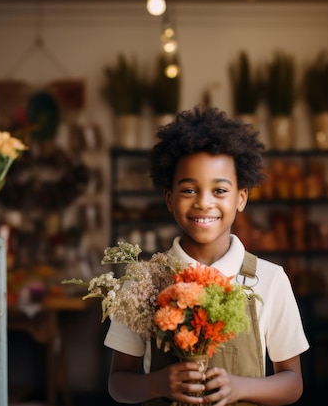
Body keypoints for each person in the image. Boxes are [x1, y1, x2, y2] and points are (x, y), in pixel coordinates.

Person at [104, 106, 309, 406]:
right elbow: (117, 383)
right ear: (169, 198)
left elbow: (292, 383)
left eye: (219, 190)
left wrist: (240, 388)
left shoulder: (270, 280)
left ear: (241, 197)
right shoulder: (142, 283)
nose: (204, 202)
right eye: (189, 190)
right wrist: (157, 384)